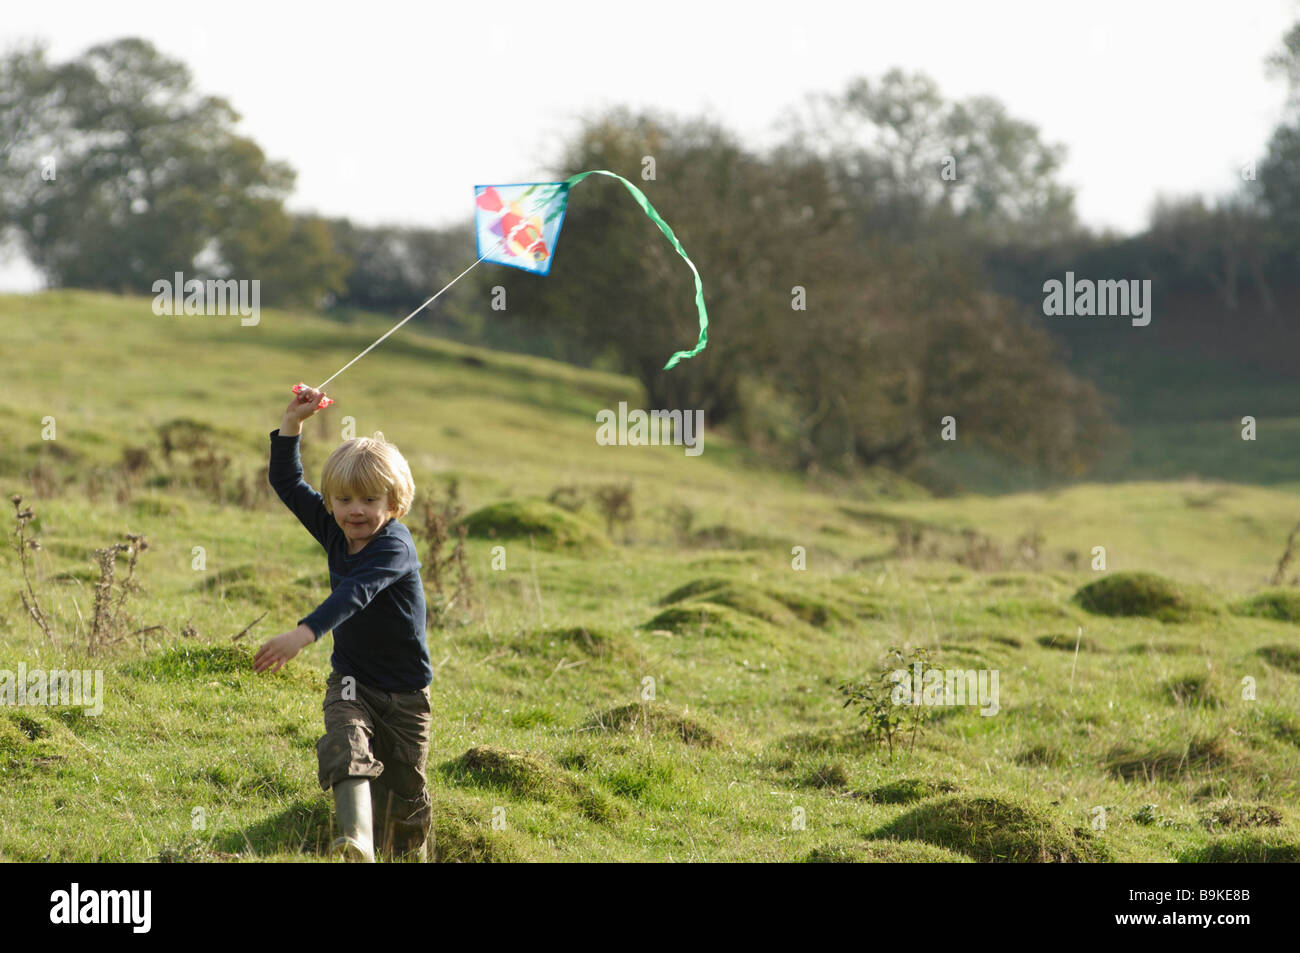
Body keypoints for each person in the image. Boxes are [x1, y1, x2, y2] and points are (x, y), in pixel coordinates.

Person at [254, 385, 433, 862]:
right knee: (344, 743)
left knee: (405, 802)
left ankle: (400, 850)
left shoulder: (394, 547)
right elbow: (289, 484)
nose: (356, 510)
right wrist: (292, 424)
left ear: (394, 503)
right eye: (345, 498)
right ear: (332, 501)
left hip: (406, 695)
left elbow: (356, 593)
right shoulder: (335, 530)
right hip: (351, 680)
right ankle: (355, 844)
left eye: (370, 500)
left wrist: (302, 632)